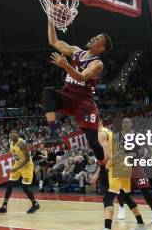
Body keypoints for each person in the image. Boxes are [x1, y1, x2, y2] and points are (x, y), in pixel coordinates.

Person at [42, 20, 112, 187]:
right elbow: (53, 41)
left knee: (93, 142)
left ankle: (102, 169)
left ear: (101, 48)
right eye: (95, 36)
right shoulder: (75, 51)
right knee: (47, 92)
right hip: (69, 96)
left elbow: (82, 77)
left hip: (84, 103)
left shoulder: (97, 63)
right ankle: (54, 132)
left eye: (97, 39)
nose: (93, 38)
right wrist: (50, 18)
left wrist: (65, 65)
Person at [89, 122, 148, 230]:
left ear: (98, 122)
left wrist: (97, 173)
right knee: (125, 197)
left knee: (108, 198)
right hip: (125, 165)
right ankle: (141, 225)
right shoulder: (110, 132)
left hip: (116, 166)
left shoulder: (101, 133)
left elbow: (105, 157)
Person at [116, 118, 152, 224]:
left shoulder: (137, 136)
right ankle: (122, 208)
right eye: (123, 122)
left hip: (136, 167)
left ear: (131, 124)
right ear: (121, 125)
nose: (125, 124)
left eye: (128, 122)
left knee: (145, 189)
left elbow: (150, 148)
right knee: (121, 191)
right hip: (123, 167)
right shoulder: (117, 137)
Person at [0, 130, 40, 214]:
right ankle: (4, 206)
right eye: (11, 133)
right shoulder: (11, 143)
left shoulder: (21, 143)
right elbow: (16, 156)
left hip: (27, 166)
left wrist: (17, 167)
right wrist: (15, 166)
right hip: (17, 165)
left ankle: (35, 204)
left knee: (25, 188)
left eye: (15, 133)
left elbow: (26, 159)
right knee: (9, 185)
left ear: (17, 135)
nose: (14, 134)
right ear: (9, 136)